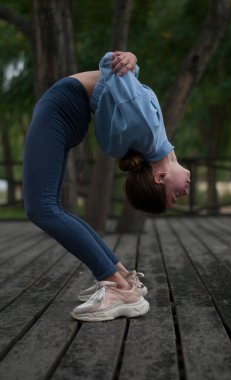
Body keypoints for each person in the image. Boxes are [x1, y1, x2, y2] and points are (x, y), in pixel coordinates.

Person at [23, 51, 190, 322]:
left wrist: (127, 61)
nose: (184, 192)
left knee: (41, 208)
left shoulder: (149, 136)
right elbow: (122, 78)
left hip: (60, 108)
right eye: (178, 196)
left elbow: (110, 67)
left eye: (175, 196)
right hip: (67, 109)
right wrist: (132, 60)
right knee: (49, 207)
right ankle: (121, 277)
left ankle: (118, 287)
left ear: (159, 178)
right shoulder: (152, 137)